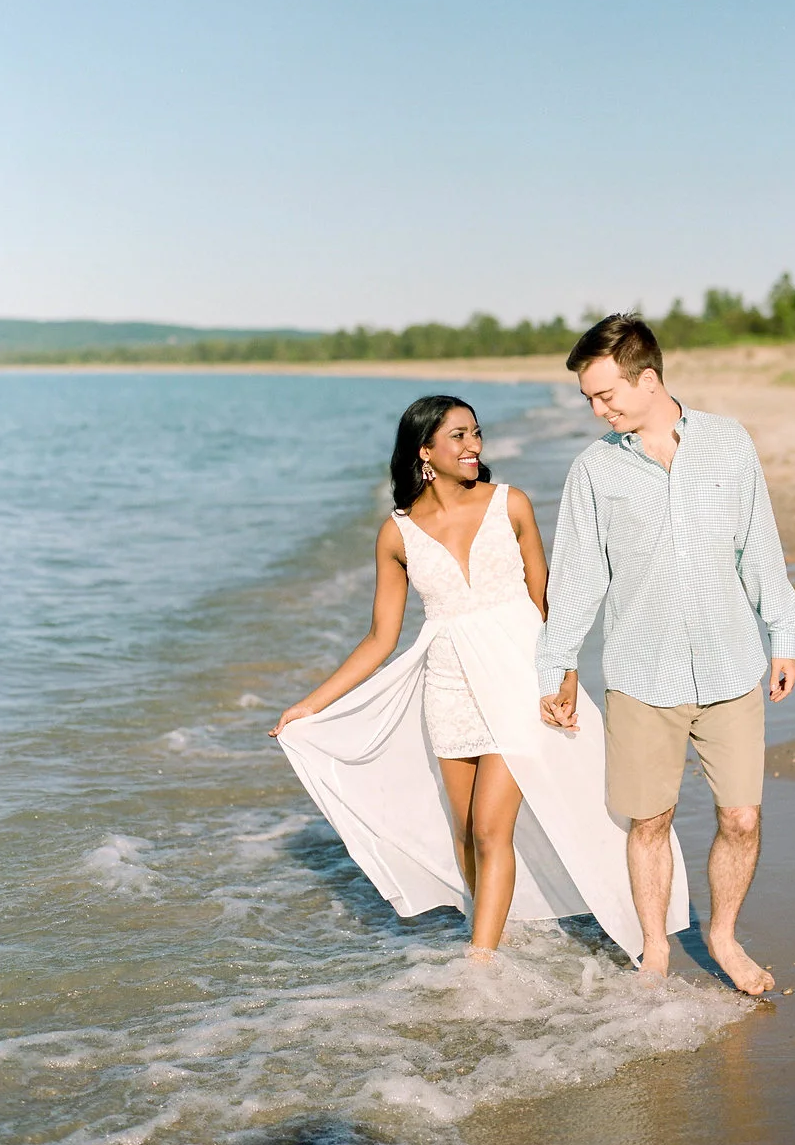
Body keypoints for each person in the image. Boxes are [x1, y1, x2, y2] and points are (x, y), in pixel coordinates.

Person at [270, 394, 689, 961]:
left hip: (519, 675)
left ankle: (480, 961)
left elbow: (547, 601)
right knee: (467, 832)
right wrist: (309, 706)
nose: (474, 447)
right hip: (449, 686)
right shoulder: (397, 535)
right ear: (426, 452)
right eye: (459, 437)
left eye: (476, 434)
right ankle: (496, 924)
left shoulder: (509, 504)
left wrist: (561, 673)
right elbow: (380, 638)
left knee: (493, 829)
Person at [537, 315, 795, 994]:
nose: (598, 410)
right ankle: (655, 949)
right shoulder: (594, 470)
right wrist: (557, 666)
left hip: (730, 664)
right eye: (591, 400)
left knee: (741, 817)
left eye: (605, 395)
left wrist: (784, 635)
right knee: (649, 819)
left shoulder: (728, 444)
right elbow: (576, 578)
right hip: (639, 671)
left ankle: (722, 935)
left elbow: (758, 546)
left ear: (647, 379)